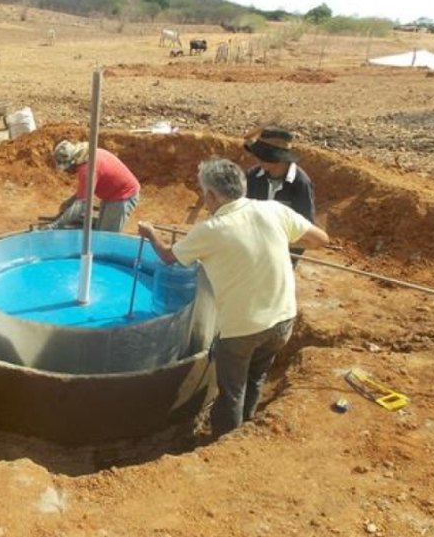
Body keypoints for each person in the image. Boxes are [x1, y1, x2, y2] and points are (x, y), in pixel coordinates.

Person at [137, 158, 329, 438]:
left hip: (241, 329)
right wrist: (277, 238)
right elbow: (320, 239)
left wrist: (152, 234)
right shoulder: (273, 210)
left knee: (230, 393)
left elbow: (169, 258)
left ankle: (225, 442)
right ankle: (248, 427)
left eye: (205, 194)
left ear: (212, 195)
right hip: (283, 319)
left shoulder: (211, 230)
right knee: (257, 376)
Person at [243, 127, 315, 264]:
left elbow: (305, 230)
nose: (258, 160)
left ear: (280, 159)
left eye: (264, 156)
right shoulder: (253, 177)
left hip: (284, 255)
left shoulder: (300, 184)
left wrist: (280, 245)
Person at [45, 140, 140, 232]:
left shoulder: (86, 169)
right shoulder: (88, 156)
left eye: (67, 168)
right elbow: (85, 191)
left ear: (71, 162)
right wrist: (69, 203)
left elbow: (82, 205)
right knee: (101, 230)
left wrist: (55, 225)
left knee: (106, 236)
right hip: (113, 194)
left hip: (123, 195)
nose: (68, 172)